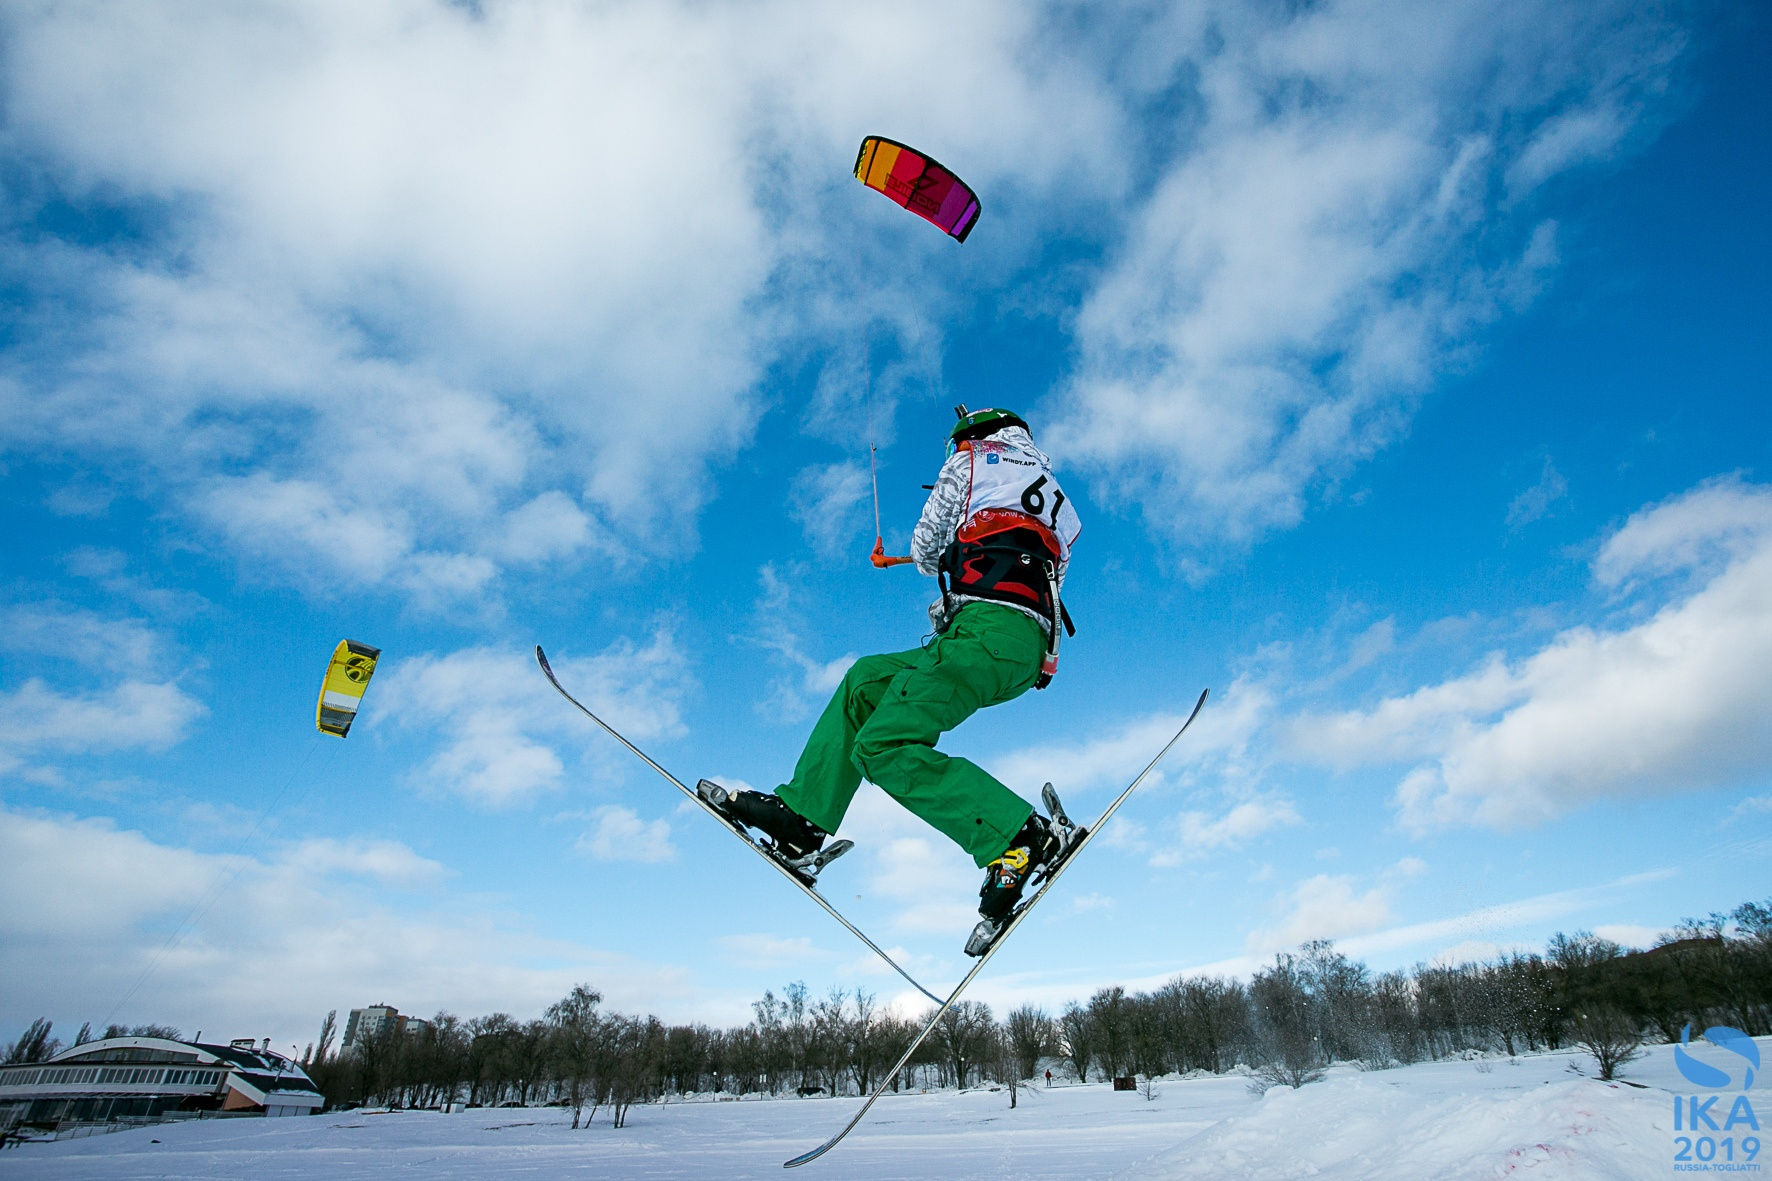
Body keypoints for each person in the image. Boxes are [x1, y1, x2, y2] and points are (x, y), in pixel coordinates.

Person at [722, 407, 1082, 949]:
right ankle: (802, 819)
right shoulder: (1058, 500)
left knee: (882, 744)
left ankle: (1019, 836)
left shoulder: (971, 461)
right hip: (1019, 649)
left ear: (972, 434)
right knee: (866, 682)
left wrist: (934, 559)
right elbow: (1044, 568)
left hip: (984, 632)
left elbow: (926, 545)